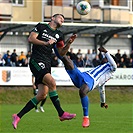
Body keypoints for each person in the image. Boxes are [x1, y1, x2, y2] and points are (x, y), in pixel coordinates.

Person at [12, 14, 77, 129]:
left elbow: (61, 53)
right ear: (52, 18)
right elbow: (31, 38)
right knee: (52, 82)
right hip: (36, 60)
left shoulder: (59, 35)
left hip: (47, 63)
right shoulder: (41, 27)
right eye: (60, 17)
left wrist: (69, 43)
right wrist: (45, 43)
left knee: (42, 95)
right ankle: (61, 113)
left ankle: (17, 116)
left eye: (63, 19)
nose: (62, 19)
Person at [55, 46, 117, 128]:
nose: (104, 59)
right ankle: (54, 46)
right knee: (66, 60)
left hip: (91, 81)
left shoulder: (111, 68)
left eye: (106, 58)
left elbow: (114, 65)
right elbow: (102, 89)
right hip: (83, 76)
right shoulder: (101, 68)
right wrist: (103, 102)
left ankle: (86, 117)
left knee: (82, 91)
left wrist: (106, 52)